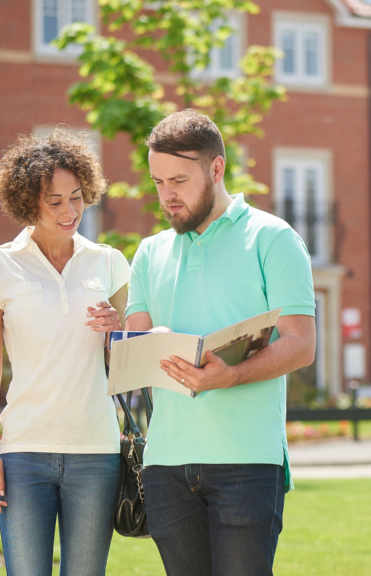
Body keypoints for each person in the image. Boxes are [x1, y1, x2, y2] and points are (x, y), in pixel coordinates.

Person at [125, 109, 316, 576]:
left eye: (179, 180)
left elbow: (301, 343)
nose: (167, 195)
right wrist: (141, 342)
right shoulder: (150, 252)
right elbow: (132, 347)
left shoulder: (273, 238)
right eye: (157, 182)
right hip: (166, 463)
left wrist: (232, 374)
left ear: (216, 169)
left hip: (247, 462)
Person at [0, 129, 129, 576]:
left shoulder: (110, 262)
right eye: (54, 201)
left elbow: (125, 366)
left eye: (76, 197)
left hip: (96, 452)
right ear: (27, 202)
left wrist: (117, 332)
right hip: (24, 453)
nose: (69, 211)